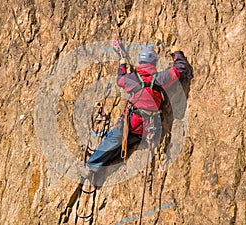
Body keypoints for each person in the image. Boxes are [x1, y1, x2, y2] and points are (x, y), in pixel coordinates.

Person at [78, 46, 190, 178]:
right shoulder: (160, 78)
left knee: (112, 140)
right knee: (119, 146)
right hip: (147, 128)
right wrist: (177, 53)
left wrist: (122, 65)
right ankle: (99, 166)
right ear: (154, 63)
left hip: (130, 123)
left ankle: (91, 167)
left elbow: (120, 80)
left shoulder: (133, 79)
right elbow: (180, 68)